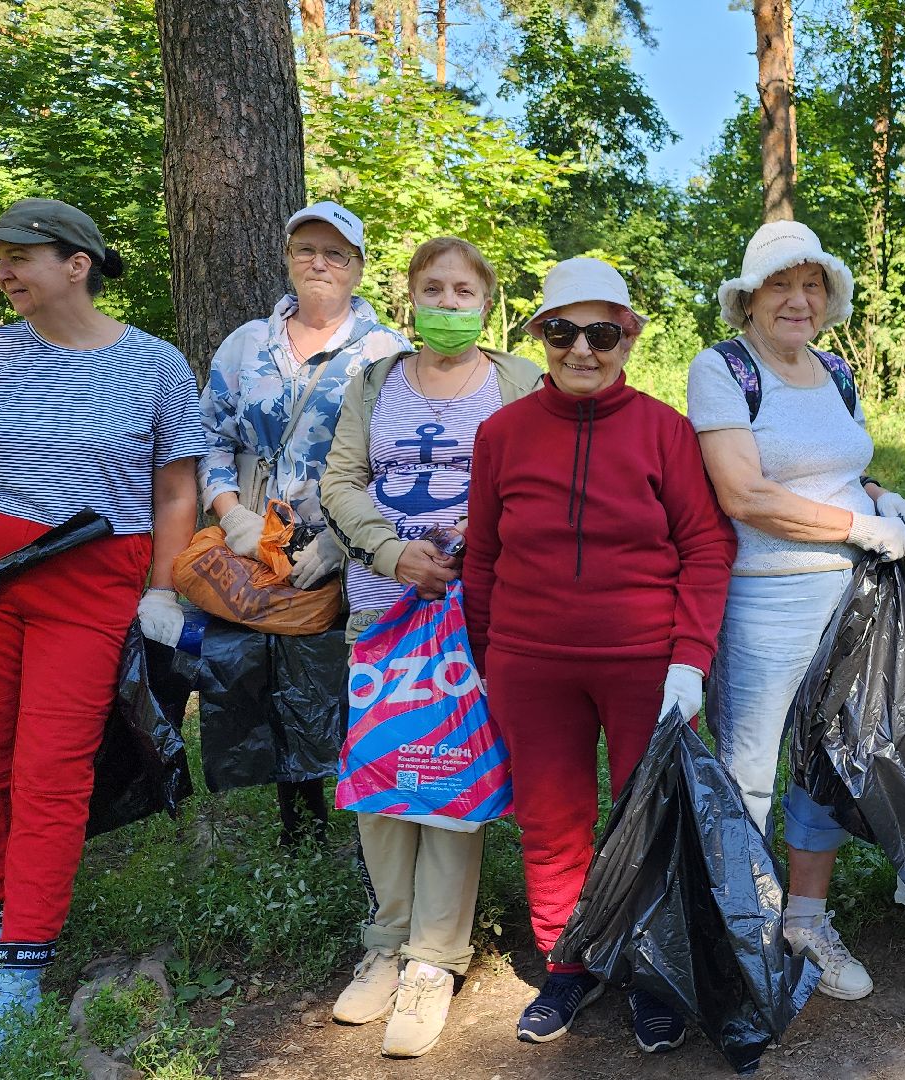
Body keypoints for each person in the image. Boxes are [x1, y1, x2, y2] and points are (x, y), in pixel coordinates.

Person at [0, 198, 206, 1056]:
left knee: (52, 762)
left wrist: (164, 590)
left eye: (18, 257)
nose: (2, 272)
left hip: (90, 586)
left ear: (77, 263)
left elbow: (176, 491)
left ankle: (24, 963)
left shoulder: (154, 365)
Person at [461, 257, 736, 1052]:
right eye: (561, 331)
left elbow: (705, 549)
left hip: (646, 660)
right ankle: (569, 962)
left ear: (630, 337)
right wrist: (488, 652)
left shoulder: (665, 430)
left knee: (646, 820)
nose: (582, 349)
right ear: (539, 336)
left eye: (602, 332)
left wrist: (689, 661)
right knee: (552, 821)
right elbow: (482, 555)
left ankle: (653, 968)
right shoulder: (501, 434)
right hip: (529, 661)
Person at [318, 236, 541, 1058]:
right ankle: (386, 940)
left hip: (476, 614)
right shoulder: (373, 382)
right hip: (383, 609)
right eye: (432, 289)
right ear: (409, 299)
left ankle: (433, 960)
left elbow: (543, 476)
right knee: (381, 770)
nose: (447, 304)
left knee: (451, 767)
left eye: (463, 291)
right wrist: (391, 551)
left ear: (488, 302)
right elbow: (339, 482)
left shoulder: (518, 379)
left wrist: (479, 546)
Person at [688, 220, 905, 1001]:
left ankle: (806, 921)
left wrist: (887, 502)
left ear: (828, 298)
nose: (797, 299)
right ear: (749, 299)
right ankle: (742, 934)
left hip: (853, 598)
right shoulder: (722, 369)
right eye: (779, 285)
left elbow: (844, 466)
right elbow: (744, 495)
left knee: (829, 762)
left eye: (811, 284)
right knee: (748, 769)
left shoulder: (837, 371)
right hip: (766, 599)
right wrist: (862, 527)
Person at [198, 201, 411, 846]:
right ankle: (300, 816)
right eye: (306, 251)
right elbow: (203, 433)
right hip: (251, 531)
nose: (319, 264)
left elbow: (399, 457)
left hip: (343, 534)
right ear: (288, 260)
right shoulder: (245, 345)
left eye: (336, 254)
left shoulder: (387, 353)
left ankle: (369, 812)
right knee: (265, 655)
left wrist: (345, 541)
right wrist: (230, 512)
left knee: (337, 662)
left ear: (358, 267)